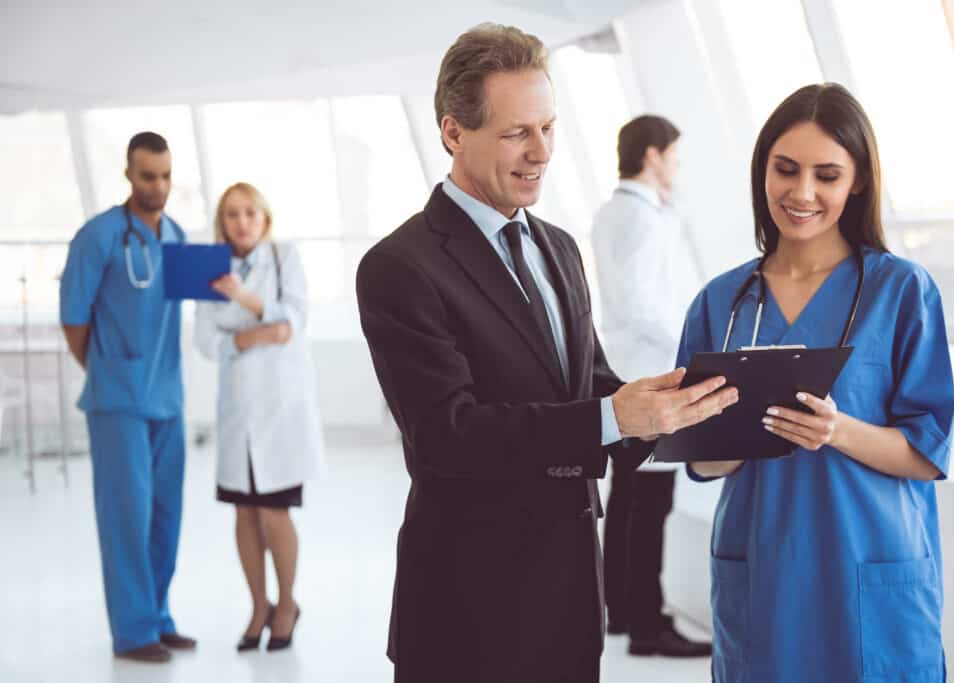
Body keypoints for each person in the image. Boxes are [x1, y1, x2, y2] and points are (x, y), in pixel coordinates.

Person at [355, 23, 738, 683]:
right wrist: (616, 415)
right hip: (466, 620)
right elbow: (449, 435)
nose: (541, 152)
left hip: (569, 612)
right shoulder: (400, 267)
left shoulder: (559, 248)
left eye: (550, 128)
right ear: (453, 132)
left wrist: (698, 427)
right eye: (516, 133)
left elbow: (590, 391)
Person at [678, 83, 954, 682]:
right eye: (785, 170)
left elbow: (928, 452)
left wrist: (836, 430)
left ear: (856, 181)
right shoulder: (722, 301)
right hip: (764, 574)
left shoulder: (901, 291)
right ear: (763, 172)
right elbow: (701, 460)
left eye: (826, 175)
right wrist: (722, 431)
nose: (801, 193)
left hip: (869, 568)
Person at [60, 132, 196, 663]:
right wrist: (110, 372)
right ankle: (133, 631)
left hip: (167, 398)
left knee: (166, 515)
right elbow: (74, 321)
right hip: (118, 401)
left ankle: (159, 617)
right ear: (127, 173)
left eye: (164, 176)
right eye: (147, 176)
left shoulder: (179, 235)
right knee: (126, 516)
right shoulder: (97, 237)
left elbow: (196, 310)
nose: (157, 186)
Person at [591, 115, 711, 657]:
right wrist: (693, 349)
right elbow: (643, 302)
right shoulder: (640, 220)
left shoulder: (615, 213)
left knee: (627, 498)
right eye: (676, 158)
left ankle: (619, 609)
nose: (678, 169)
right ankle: (646, 625)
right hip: (652, 374)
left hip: (621, 371)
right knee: (650, 502)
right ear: (654, 155)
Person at [194, 182, 323, 652]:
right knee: (244, 513)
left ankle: (287, 603)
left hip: (280, 409)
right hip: (237, 412)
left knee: (274, 511)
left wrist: (245, 302)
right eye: (231, 214)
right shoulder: (209, 268)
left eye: (250, 212)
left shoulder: (285, 257)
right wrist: (249, 337)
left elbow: (293, 323)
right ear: (221, 223)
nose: (241, 221)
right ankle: (258, 605)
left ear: (264, 219)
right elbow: (206, 341)